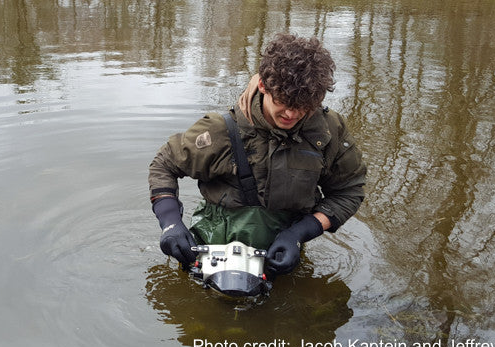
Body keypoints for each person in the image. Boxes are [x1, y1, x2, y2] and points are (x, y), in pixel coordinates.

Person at [148, 33, 366, 276]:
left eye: (304, 106)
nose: (292, 114)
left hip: (282, 251)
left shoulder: (328, 131)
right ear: (263, 85)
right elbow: (164, 164)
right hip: (210, 249)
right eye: (283, 101)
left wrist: (300, 232)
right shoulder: (220, 131)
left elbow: (349, 191)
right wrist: (170, 224)